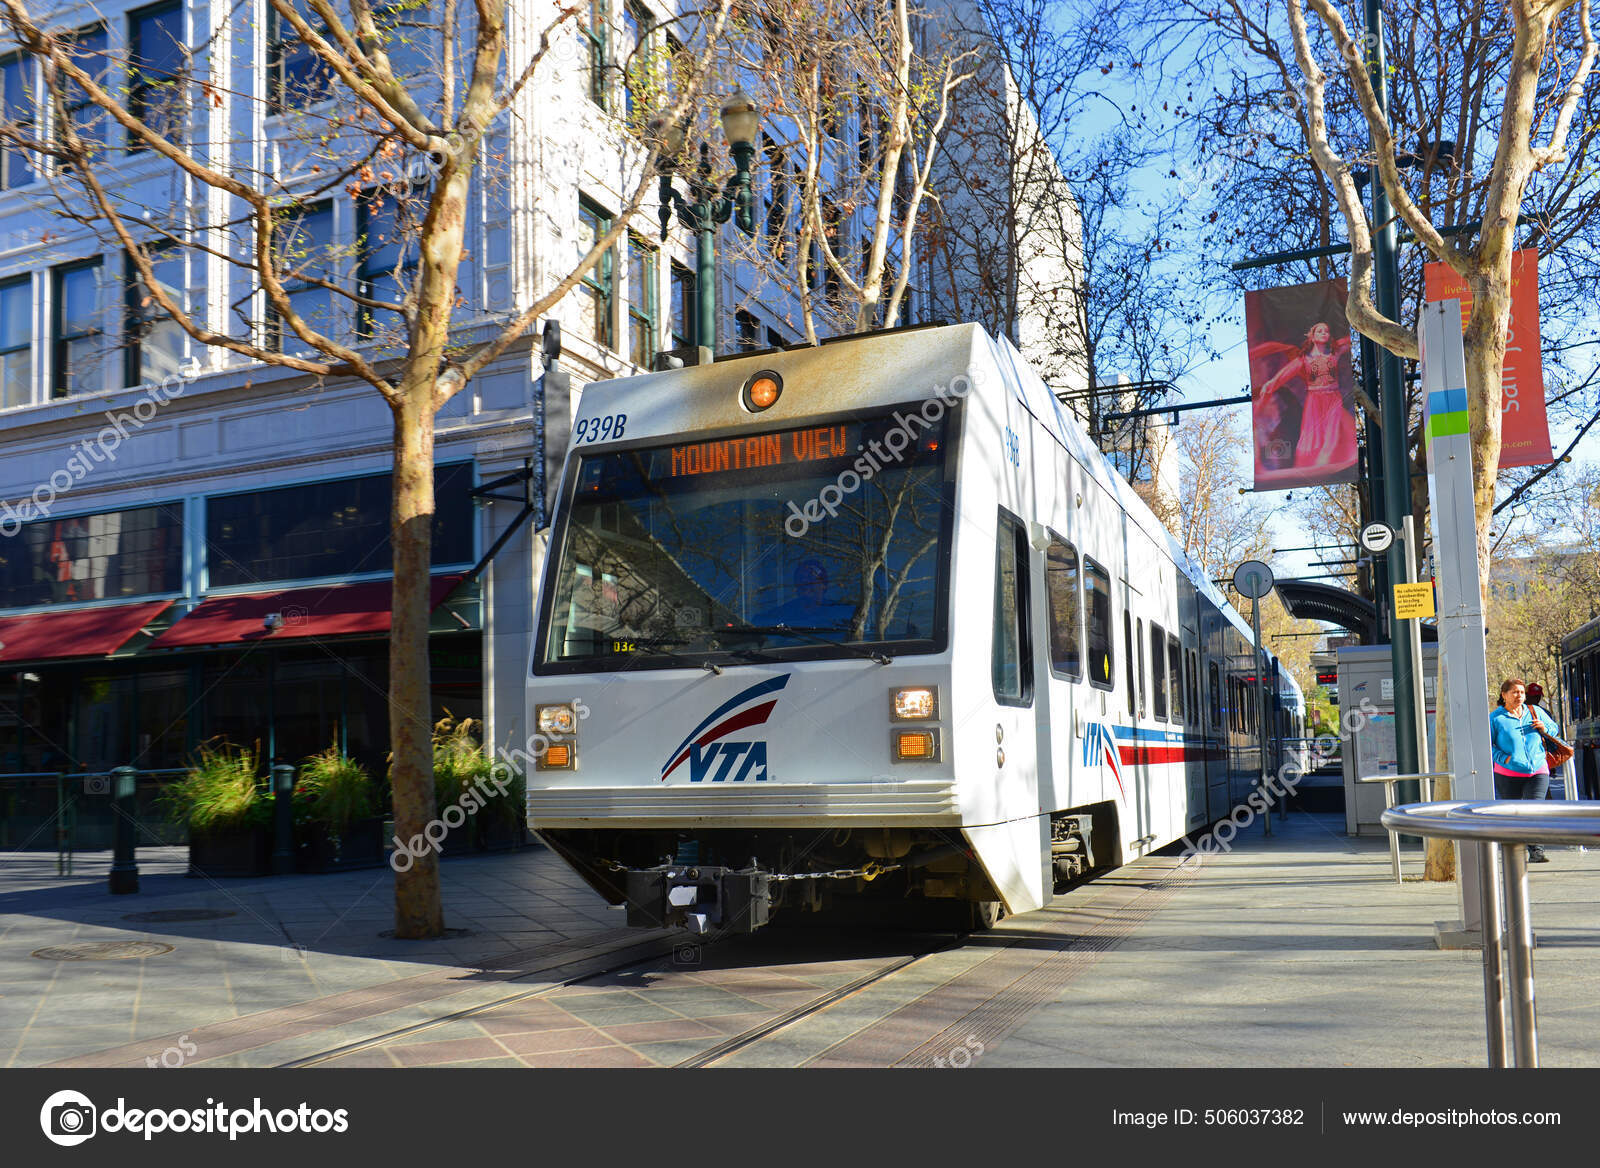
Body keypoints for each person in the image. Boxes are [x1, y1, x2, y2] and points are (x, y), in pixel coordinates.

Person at [1256, 322, 1358, 474]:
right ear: (1312, 336)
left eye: (1326, 331)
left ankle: (1327, 461)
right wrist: (1270, 384)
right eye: (1320, 331)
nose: (1324, 333)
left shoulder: (1333, 354)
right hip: (1315, 401)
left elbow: (1349, 340)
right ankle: (1315, 465)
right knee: (1314, 434)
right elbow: (1284, 374)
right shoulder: (1304, 360)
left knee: (1333, 432)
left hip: (1333, 399)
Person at [1490, 678, 1550, 862]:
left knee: (1535, 809)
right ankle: (1513, 850)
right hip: (1508, 772)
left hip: (1538, 769)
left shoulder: (1535, 711)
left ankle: (1536, 850)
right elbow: (1487, 745)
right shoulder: (1496, 718)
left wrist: (1544, 727)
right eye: (1515, 692)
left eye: (1522, 692)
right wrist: (1504, 758)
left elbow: (1554, 730)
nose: (1519, 695)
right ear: (1504, 695)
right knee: (1513, 812)